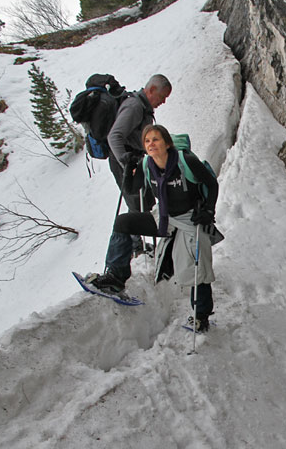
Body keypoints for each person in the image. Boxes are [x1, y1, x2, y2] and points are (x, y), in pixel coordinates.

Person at [87, 125, 219, 331]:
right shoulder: (147, 164)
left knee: (196, 267)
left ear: (167, 143)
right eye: (147, 141)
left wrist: (208, 211)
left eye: (156, 139)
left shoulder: (186, 162)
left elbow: (211, 184)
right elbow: (132, 189)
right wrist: (129, 170)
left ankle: (201, 316)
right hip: (164, 218)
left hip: (189, 220)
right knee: (123, 223)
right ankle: (115, 277)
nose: (151, 144)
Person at [107, 74, 173, 254]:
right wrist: (126, 164)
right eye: (162, 97)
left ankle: (135, 245)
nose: (163, 102)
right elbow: (114, 136)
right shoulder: (134, 106)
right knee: (135, 203)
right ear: (151, 90)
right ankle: (131, 248)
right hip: (126, 161)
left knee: (140, 201)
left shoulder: (142, 107)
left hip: (135, 160)